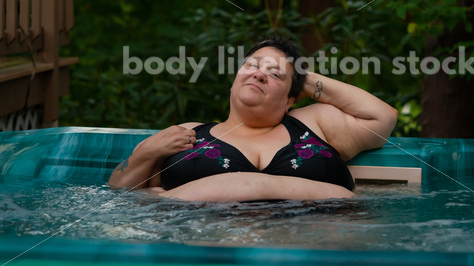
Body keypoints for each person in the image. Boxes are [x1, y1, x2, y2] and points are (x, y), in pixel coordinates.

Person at [108, 37, 398, 202]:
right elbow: (120, 195)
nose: (259, 74)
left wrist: (301, 77)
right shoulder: (187, 133)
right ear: (233, 81)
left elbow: (382, 118)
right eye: (252, 66)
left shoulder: (315, 123)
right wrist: (147, 152)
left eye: (274, 75)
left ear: (290, 100)